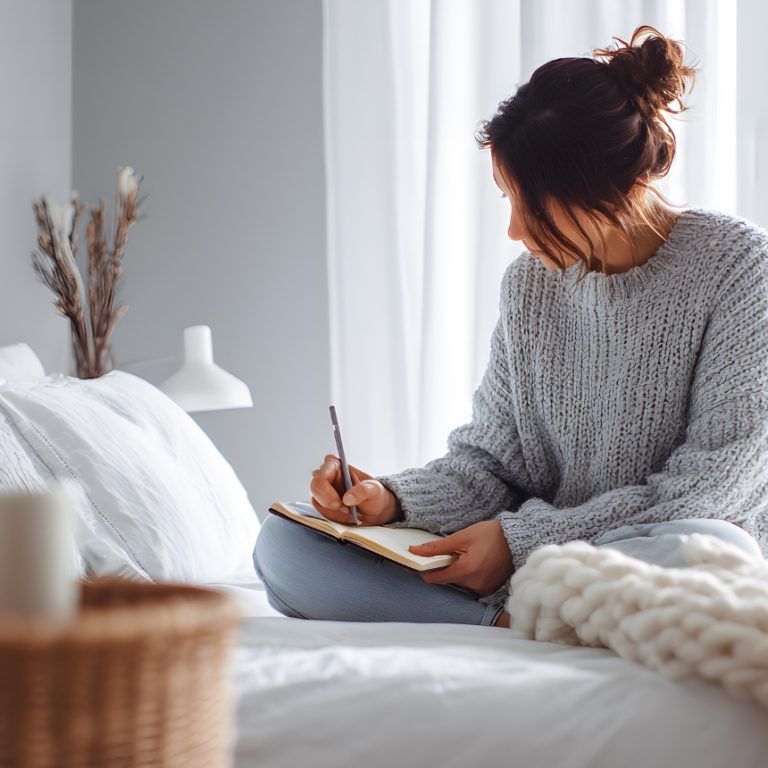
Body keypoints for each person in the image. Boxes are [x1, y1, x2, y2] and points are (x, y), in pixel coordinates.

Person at [254, 25, 768, 628]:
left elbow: (711, 494)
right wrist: (390, 501)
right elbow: (491, 465)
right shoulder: (529, 285)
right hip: (544, 569)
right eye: (507, 198)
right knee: (285, 545)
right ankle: (516, 623)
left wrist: (520, 544)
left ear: (621, 187)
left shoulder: (741, 270)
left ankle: (514, 615)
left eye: (535, 204)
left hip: (646, 555)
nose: (516, 232)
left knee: (707, 544)